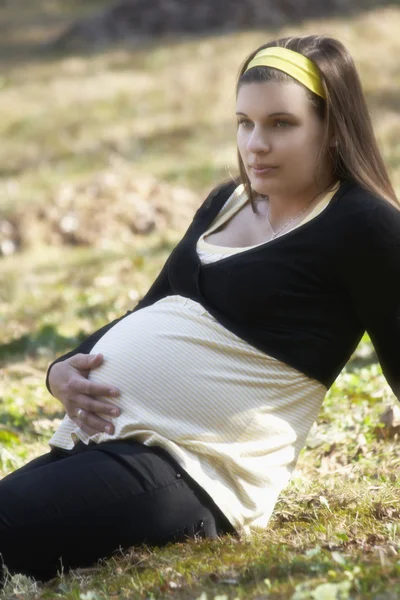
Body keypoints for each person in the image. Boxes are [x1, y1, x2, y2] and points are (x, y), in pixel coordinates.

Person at [1, 34, 399, 584]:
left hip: (195, 472)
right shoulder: (226, 201)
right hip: (111, 440)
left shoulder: (364, 226)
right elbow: (151, 306)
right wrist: (61, 368)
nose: (255, 144)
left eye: (281, 124)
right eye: (245, 122)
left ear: (332, 129)